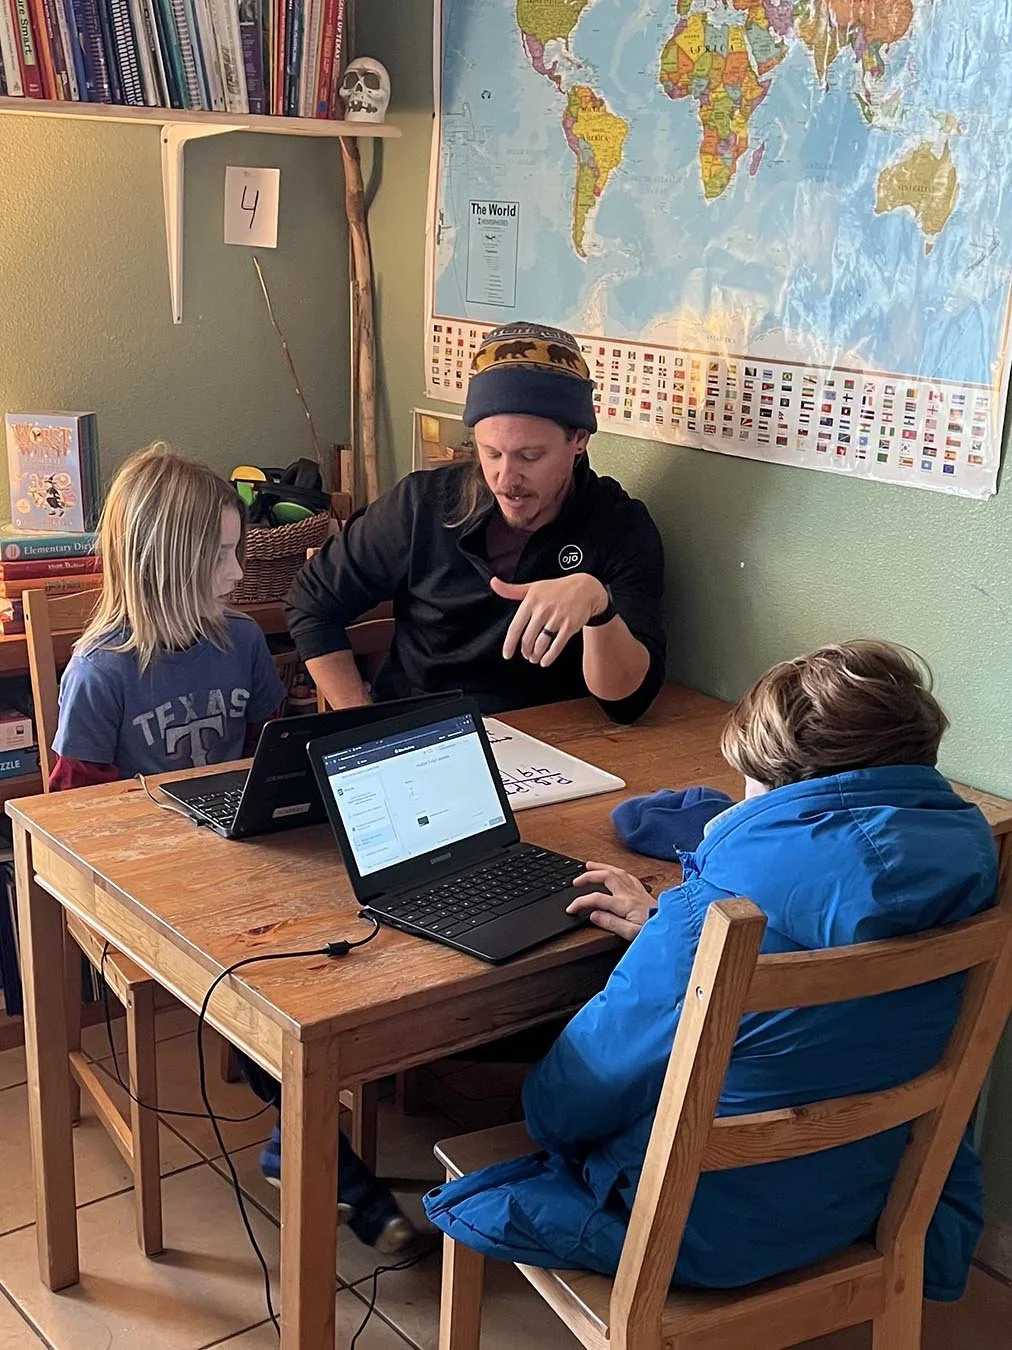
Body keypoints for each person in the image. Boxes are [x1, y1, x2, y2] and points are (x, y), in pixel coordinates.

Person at [424, 640, 997, 1301]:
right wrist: (681, 932)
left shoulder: (717, 909)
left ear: (778, 781)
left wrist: (685, 929)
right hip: (866, 1194)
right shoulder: (973, 862)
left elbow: (567, 1103)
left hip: (703, 1231)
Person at [52, 443, 415, 1255]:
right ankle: (335, 1168)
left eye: (238, 547)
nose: (237, 569)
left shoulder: (242, 639)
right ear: (164, 562)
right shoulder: (100, 673)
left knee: (333, 940)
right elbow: (75, 818)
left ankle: (306, 1125)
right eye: (220, 554)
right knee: (253, 991)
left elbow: (264, 754)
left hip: (237, 860)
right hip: (146, 885)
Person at [285, 321, 666, 721]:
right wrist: (363, 725)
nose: (506, 477)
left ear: (579, 440)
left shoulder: (618, 525)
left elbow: (627, 703)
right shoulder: (424, 505)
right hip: (425, 733)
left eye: (530, 456)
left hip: (556, 745)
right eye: (491, 453)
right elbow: (311, 603)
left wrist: (597, 604)